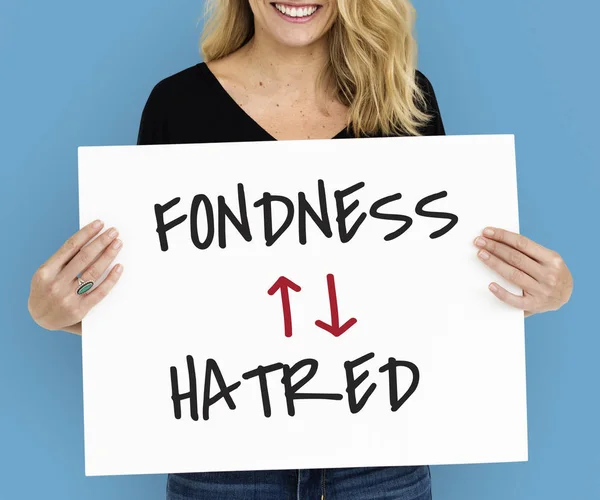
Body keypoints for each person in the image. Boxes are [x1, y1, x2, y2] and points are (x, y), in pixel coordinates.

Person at [27, 0, 574, 498]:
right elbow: (155, 304)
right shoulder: (177, 104)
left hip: (381, 460)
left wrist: (549, 291)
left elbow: (438, 288)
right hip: (221, 466)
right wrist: (62, 311)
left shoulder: (406, 101)